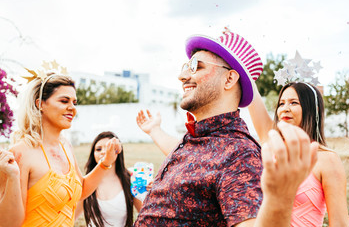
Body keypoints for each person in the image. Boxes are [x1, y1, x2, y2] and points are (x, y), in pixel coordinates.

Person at [133, 28, 318, 226]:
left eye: (196, 66)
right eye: (185, 66)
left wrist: (280, 198)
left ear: (229, 79)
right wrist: (154, 130)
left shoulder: (240, 154)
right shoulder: (197, 139)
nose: (182, 75)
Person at [0, 66, 121, 227]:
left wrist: (105, 162)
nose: (72, 107)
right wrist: (13, 177)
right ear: (40, 104)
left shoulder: (66, 146)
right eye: (64, 101)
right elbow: (9, 223)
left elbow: (82, 190)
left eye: (74, 102)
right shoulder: (20, 153)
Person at [248, 81, 349, 226]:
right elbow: (253, 96)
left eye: (293, 103)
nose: (285, 109)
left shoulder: (327, 159)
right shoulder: (272, 143)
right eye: (281, 103)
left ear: (312, 109)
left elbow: (340, 223)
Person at [76, 131, 143, 227]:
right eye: (98, 149)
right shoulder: (88, 182)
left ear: (118, 151)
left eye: (108, 148)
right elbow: (71, 216)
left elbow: (145, 214)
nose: (103, 152)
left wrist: (148, 193)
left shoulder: (130, 179)